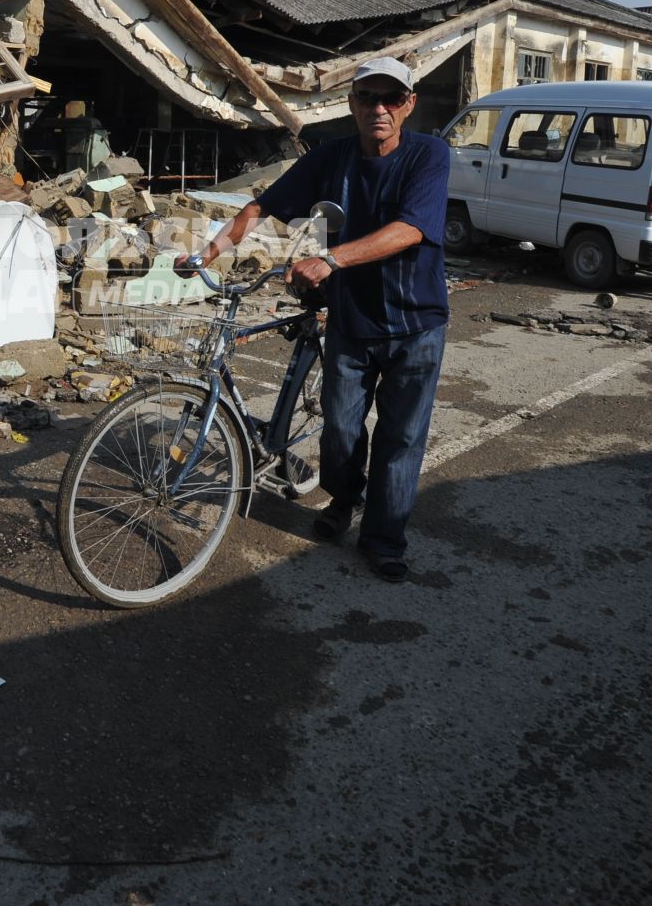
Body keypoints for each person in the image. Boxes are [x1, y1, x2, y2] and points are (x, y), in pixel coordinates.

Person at [175, 56, 451, 583]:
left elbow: (412, 229)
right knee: (341, 432)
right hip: (351, 320)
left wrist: (331, 259)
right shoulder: (332, 158)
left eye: (391, 99)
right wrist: (208, 251)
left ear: (408, 105)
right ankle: (342, 504)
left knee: (401, 438)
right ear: (351, 103)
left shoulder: (428, 155)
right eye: (368, 97)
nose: (379, 108)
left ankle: (384, 539)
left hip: (417, 326)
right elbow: (262, 207)